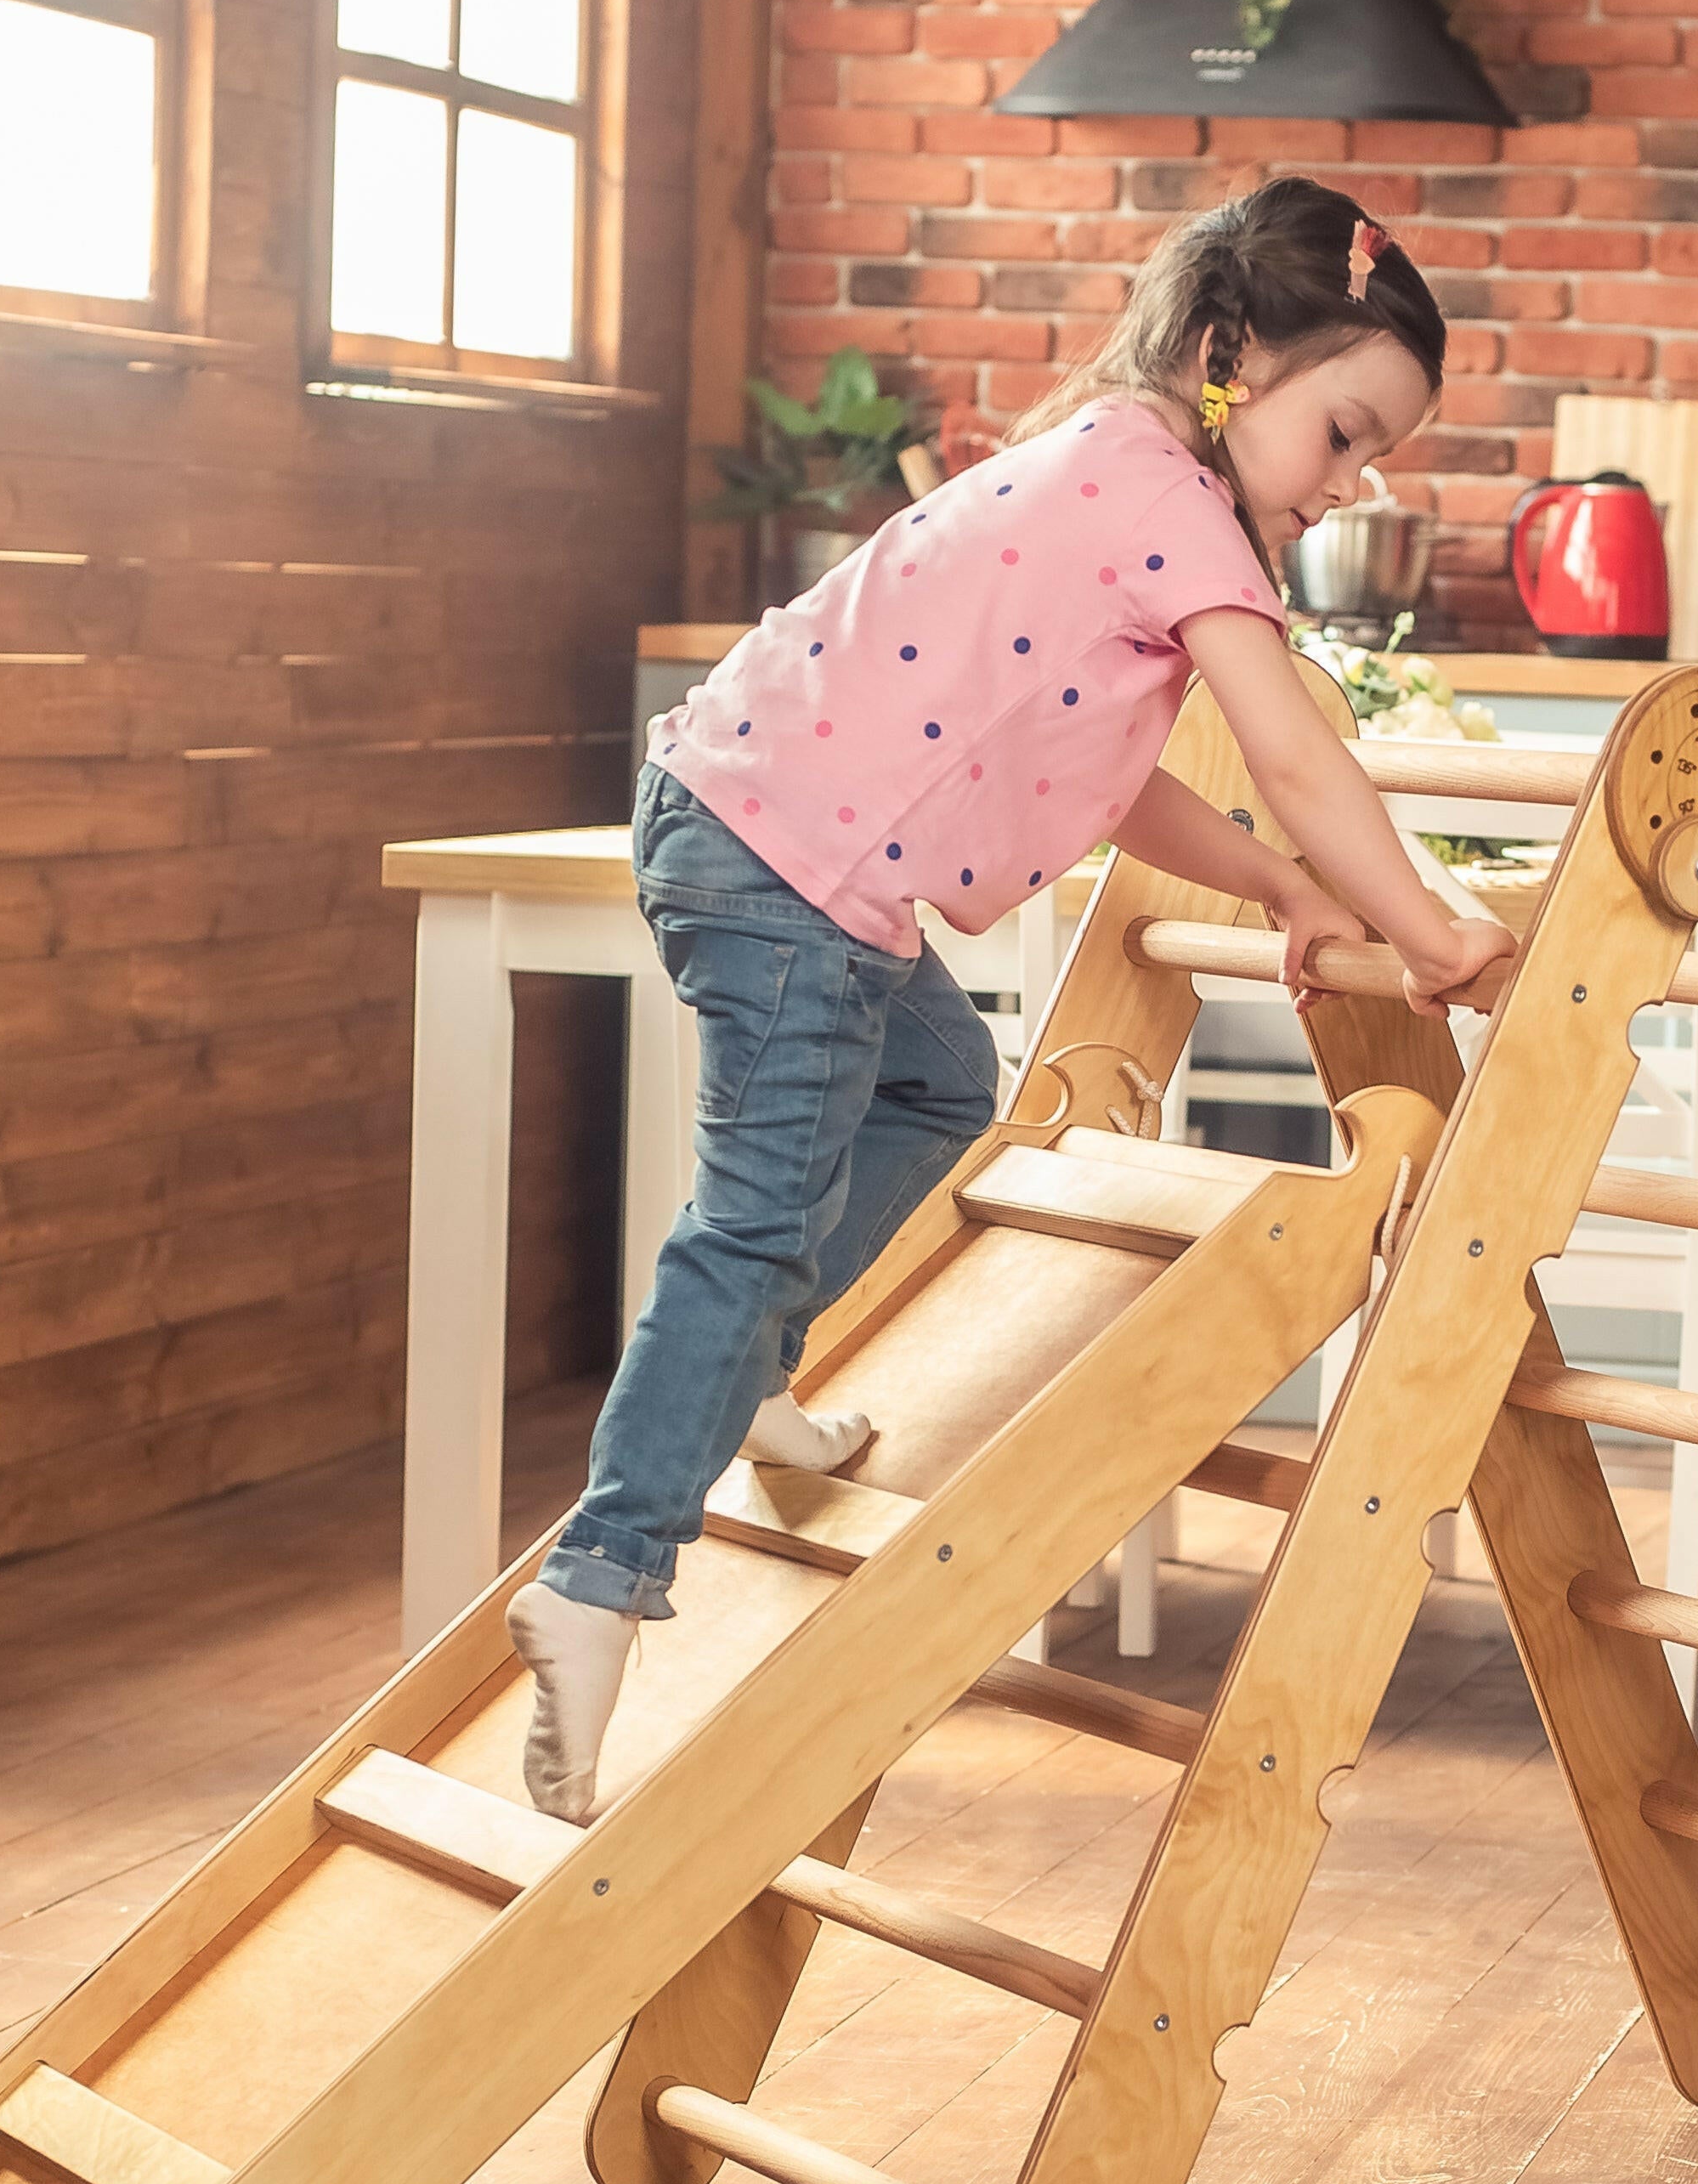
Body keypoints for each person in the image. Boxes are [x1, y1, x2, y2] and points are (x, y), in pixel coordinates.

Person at [507, 173, 1517, 1820]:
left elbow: (1116, 781)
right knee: (752, 1222)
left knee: (935, 1095)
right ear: (1225, 356)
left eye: (1376, 451)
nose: (1354, 481)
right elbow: (1286, 747)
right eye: (1342, 433)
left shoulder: (1119, 473)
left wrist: (1282, 884)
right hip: (784, 865)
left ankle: (748, 1381)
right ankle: (601, 1573)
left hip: (767, 835)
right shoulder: (1162, 497)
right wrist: (1426, 928)